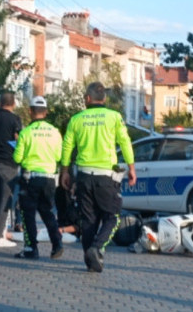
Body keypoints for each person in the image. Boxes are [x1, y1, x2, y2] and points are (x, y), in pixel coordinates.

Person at [60, 82, 136, 273]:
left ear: (87, 99)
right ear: (104, 99)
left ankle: (90, 261)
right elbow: (125, 142)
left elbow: (67, 146)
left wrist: (65, 171)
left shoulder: (76, 119)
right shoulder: (114, 117)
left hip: (84, 176)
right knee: (113, 217)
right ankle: (97, 248)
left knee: (88, 220)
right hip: (106, 177)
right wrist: (132, 167)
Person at [12, 96, 64, 260]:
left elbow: (17, 158)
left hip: (30, 179)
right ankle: (57, 245)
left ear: (30, 111)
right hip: (49, 179)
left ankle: (30, 248)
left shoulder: (25, 133)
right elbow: (58, 156)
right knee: (48, 213)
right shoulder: (55, 132)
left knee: (28, 215)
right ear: (46, 112)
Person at [0, 92, 23, 248]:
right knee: (5, 200)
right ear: (13, 104)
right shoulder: (15, 120)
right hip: (8, 164)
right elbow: (19, 139)